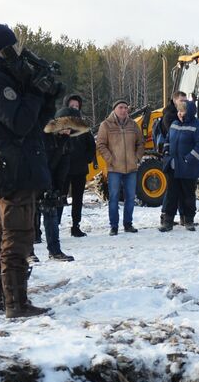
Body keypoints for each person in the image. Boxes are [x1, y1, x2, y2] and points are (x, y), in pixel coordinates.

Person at [0, 22, 56, 319]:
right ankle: (16, 304)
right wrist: (33, 92)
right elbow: (18, 122)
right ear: (4, 48)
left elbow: (32, 120)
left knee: (2, 235)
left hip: (5, 165)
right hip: (13, 167)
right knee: (17, 236)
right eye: (12, 47)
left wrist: (43, 94)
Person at [41, 106, 89, 260]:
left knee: (52, 214)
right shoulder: (45, 139)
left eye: (71, 129)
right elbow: (43, 162)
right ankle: (28, 252)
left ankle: (55, 251)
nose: (68, 131)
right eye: (66, 127)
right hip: (37, 179)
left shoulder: (66, 141)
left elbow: (63, 167)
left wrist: (57, 188)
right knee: (31, 218)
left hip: (53, 182)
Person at [159, 98, 199, 232]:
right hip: (173, 166)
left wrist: (189, 159)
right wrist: (166, 152)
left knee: (188, 195)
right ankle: (167, 221)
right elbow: (168, 139)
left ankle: (189, 220)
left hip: (189, 168)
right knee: (171, 195)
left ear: (190, 112)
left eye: (183, 111)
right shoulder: (174, 124)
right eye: (179, 111)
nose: (180, 114)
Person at [96, 98, 142, 235]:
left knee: (130, 197)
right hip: (114, 168)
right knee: (114, 197)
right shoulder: (106, 125)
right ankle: (114, 226)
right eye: (120, 107)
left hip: (131, 168)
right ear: (114, 109)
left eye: (125, 108)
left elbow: (141, 143)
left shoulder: (133, 125)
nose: (123, 110)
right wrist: (110, 159)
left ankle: (128, 224)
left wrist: (137, 157)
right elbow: (100, 144)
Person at [60, 94, 96, 236]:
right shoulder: (60, 125)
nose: (74, 108)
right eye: (71, 106)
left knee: (78, 199)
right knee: (60, 198)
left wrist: (86, 159)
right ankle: (54, 225)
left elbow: (91, 146)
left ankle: (76, 225)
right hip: (63, 169)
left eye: (76, 106)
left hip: (80, 169)